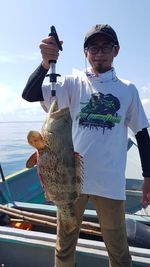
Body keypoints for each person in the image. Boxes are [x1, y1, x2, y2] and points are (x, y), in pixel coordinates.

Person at [22, 24, 150, 267]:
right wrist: (45, 63)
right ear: (85, 52)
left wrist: (148, 176)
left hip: (110, 182)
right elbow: (29, 94)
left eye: (105, 47)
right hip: (69, 181)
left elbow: (142, 133)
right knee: (64, 247)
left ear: (116, 50)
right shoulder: (72, 83)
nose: (99, 52)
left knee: (119, 252)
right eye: (93, 47)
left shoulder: (127, 90)